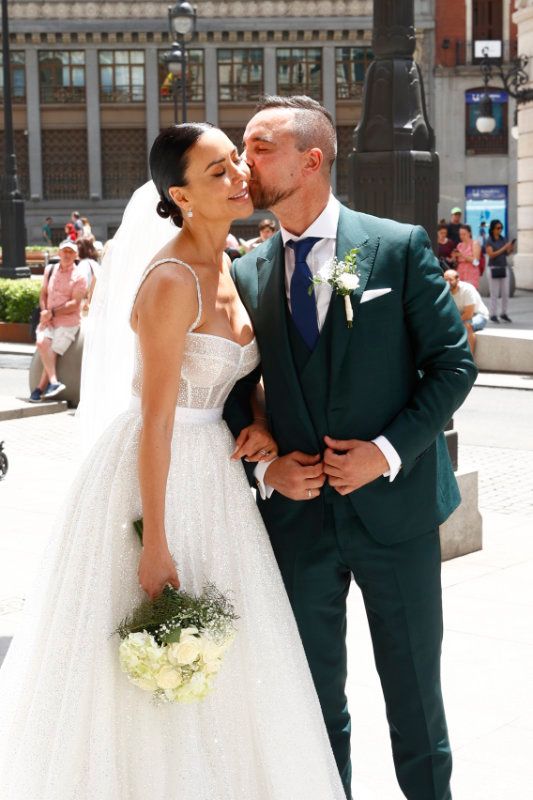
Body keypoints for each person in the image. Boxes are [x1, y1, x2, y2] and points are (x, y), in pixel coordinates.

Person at [0, 124, 346, 800]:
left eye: (236, 163)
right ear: (181, 195)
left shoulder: (241, 261)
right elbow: (155, 419)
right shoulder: (169, 280)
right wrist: (153, 542)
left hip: (214, 474)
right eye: (217, 171)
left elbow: (241, 381)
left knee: (229, 649)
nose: (239, 177)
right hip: (153, 476)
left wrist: (263, 424)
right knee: (154, 637)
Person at [224, 95, 477, 800]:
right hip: (296, 523)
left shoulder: (394, 247)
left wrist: (386, 452)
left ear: (310, 159)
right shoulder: (246, 273)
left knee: (413, 700)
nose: (244, 162)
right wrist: (268, 461)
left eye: (259, 146)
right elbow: (229, 390)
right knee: (310, 705)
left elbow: (452, 367)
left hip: (394, 518)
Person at [29, 240, 87, 402]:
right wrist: (44, 311)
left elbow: (74, 304)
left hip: (68, 322)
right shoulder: (50, 269)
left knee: (52, 351)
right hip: (49, 319)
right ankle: (53, 382)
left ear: (76, 255)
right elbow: (43, 294)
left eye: (71, 252)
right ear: (59, 253)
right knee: (41, 342)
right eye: (64, 251)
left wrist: (52, 312)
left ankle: (39, 389)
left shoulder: (79, 276)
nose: (67, 255)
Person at [444, 269, 489, 354]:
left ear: (457, 280)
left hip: (478, 315)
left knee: (467, 326)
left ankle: (470, 360)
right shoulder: (445, 291)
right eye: (445, 280)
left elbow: (469, 314)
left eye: (450, 280)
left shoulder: (467, 289)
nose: (447, 282)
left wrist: (453, 323)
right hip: (460, 316)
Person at [485, 218, 513, 323]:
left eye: (501, 228)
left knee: (505, 293)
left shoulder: (503, 239)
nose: (500, 230)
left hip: (504, 267)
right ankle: (493, 314)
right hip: (493, 268)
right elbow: (491, 255)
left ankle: (504, 313)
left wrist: (510, 248)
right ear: (493, 229)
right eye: (498, 228)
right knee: (494, 293)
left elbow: (506, 254)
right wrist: (504, 248)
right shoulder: (489, 240)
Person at [455, 223, 481, 289]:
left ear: (469, 233)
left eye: (464, 234)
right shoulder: (459, 245)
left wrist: (462, 255)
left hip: (471, 273)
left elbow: (476, 262)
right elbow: (457, 260)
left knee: (470, 293)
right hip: (460, 272)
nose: (462, 236)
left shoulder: (475, 243)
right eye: (460, 234)